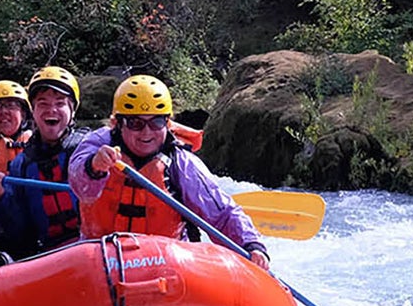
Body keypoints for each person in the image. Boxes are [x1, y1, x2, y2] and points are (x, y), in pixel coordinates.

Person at [69, 74, 269, 266]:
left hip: (162, 265)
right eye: (135, 123)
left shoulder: (181, 163)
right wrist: (94, 166)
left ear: (168, 123)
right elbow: (80, 185)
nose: (147, 132)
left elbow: (222, 213)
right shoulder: (97, 145)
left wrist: (251, 245)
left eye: (156, 122)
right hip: (99, 260)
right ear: (117, 123)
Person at [0, 66, 86, 260]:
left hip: (91, 245)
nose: (51, 110)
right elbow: (19, 232)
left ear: (72, 111)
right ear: (33, 112)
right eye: (42, 104)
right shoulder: (22, 165)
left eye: (60, 103)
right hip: (50, 254)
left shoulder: (88, 149)